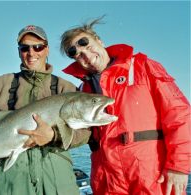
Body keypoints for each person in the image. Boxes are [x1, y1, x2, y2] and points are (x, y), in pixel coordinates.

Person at [0, 24, 91, 195]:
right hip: (13, 186)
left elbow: (87, 133)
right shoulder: (2, 85)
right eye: (25, 48)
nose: (31, 53)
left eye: (38, 47)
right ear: (19, 51)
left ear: (47, 50)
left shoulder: (66, 90)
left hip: (58, 185)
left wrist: (53, 137)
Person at [60, 17, 191, 195]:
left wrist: (178, 167)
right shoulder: (84, 90)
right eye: (75, 52)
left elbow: (179, 115)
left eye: (85, 43)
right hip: (107, 180)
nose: (85, 53)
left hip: (151, 177)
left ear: (99, 40)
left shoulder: (142, 67)